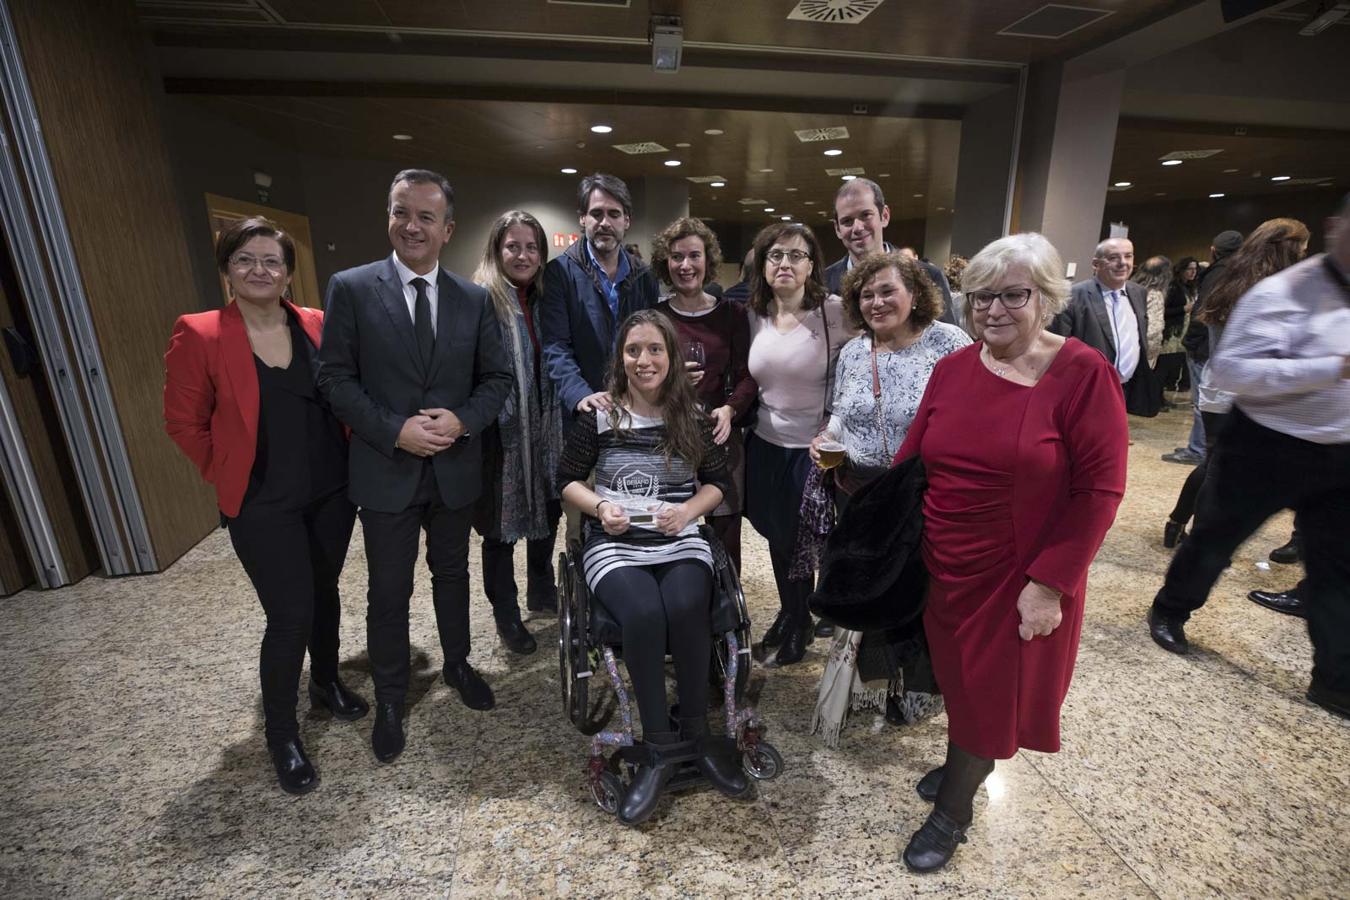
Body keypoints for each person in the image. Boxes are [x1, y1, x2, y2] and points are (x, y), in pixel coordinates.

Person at [893, 233, 1127, 872]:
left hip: (1020, 572)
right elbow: (911, 459)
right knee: (962, 684)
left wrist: (1050, 583)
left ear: (1046, 298)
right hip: (945, 564)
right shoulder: (954, 366)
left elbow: (1101, 490)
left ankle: (954, 813)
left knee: (989, 693)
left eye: (1012, 296)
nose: (993, 311)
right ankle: (954, 769)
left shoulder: (1082, 373)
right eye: (979, 298)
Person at [164, 217, 366, 795]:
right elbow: (182, 422)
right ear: (227, 268)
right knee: (290, 613)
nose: (259, 271)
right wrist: (229, 475)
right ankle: (282, 733)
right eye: (246, 260)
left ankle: (325, 684)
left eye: (271, 261)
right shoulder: (200, 333)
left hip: (330, 490)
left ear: (287, 272)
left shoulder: (316, 324)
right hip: (262, 502)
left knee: (324, 592)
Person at [317, 169, 512, 763]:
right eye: (402, 212)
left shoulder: (474, 300)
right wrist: (393, 429)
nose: (412, 226)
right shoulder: (351, 288)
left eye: (426, 216)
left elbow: (497, 379)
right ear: (389, 217)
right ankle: (393, 696)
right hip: (385, 468)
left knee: (452, 575)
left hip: (454, 468)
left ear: (448, 229)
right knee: (388, 590)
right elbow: (334, 377)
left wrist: (462, 420)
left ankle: (457, 663)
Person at [1146, 202, 1348, 722]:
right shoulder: (1281, 293)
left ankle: (1334, 679)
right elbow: (1234, 370)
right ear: (1336, 228)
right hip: (1266, 444)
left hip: (1342, 451)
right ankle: (1171, 608)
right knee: (1214, 540)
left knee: (1337, 569)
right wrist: (1332, 367)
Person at [557, 310, 749, 825]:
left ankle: (698, 736)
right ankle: (660, 747)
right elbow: (568, 479)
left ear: (671, 355)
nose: (644, 360)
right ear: (621, 358)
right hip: (615, 541)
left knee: (687, 604)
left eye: (655, 350)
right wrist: (600, 507)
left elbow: (717, 485)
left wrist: (688, 511)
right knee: (643, 613)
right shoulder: (599, 415)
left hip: (679, 535)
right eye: (633, 350)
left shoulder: (693, 415)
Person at [808, 251, 969, 742]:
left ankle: (919, 690)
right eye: (866, 294)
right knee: (868, 588)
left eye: (887, 291)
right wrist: (825, 437)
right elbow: (841, 413)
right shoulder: (855, 352)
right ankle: (876, 683)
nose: (876, 302)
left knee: (914, 596)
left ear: (915, 294)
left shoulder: (949, 343)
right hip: (858, 490)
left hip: (921, 494)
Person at [1158, 219, 1310, 550]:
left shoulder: (1230, 278)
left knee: (1214, 465)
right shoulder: (1273, 290)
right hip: (1247, 392)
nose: (1304, 256)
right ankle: (1198, 539)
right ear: (1286, 250)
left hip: (1219, 386)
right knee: (1224, 472)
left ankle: (1177, 524)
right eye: (1301, 249)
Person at [745, 223, 856, 666]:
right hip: (764, 445)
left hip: (810, 450)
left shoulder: (836, 312)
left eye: (796, 255)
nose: (785, 263)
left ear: (813, 266)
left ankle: (799, 620)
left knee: (800, 540)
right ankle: (792, 612)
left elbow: (864, 368)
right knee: (776, 535)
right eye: (775, 255)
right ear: (762, 263)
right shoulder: (754, 312)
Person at [471, 210, 564, 655]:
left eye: (531, 247)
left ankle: (541, 589)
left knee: (550, 512)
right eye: (513, 246)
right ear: (497, 249)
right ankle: (506, 613)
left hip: (547, 430)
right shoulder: (480, 300)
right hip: (499, 436)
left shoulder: (547, 297)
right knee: (499, 530)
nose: (523, 255)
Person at [650, 216, 757, 571]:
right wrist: (671, 381)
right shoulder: (656, 318)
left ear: (708, 261)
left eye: (694, 256)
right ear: (666, 263)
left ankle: (725, 610)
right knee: (669, 527)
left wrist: (729, 409)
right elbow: (637, 378)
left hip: (720, 434)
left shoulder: (732, 314)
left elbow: (747, 377)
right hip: (668, 437)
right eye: (677, 257)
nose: (686, 265)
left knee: (725, 535)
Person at [540, 173, 660, 420]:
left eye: (614, 214)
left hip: (637, 406)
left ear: (627, 221)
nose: (605, 222)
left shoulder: (644, 276)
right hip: (585, 408)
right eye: (596, 214)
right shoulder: (559, 273)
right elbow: (556, 346)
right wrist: (579, 394)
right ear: (583, 219)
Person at [824, 179, 957, 326]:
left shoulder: (928, 276)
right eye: (847, 221)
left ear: (884, 216)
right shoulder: (823, 284)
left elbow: (949, 343)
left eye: (866, 215)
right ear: (837, 229)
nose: (857, 227)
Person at [1051, 237, 1159, 417]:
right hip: (1085, 392)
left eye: (1128, 256)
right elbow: (1057, 347)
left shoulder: (1138, 292)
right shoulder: (1073, 296)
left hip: (1125, 388)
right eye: (1113, 258)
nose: (1122, 263)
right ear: (1096, 264)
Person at [1167, 233, 1243, 465]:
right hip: (1218, 346)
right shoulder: (1240, 271)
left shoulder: (1217, 273)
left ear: (1213, 249)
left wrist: (1191, 341)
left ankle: (1198, 449)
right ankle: (1200, 446)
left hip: (1204, 346)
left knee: (1203, 400)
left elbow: (1205, 313)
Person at [1132, 254, 1171, 411]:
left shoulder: (1131, 288)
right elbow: (1153, 329)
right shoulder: (1155, 295)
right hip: (1143, 349)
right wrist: (1151, 355)